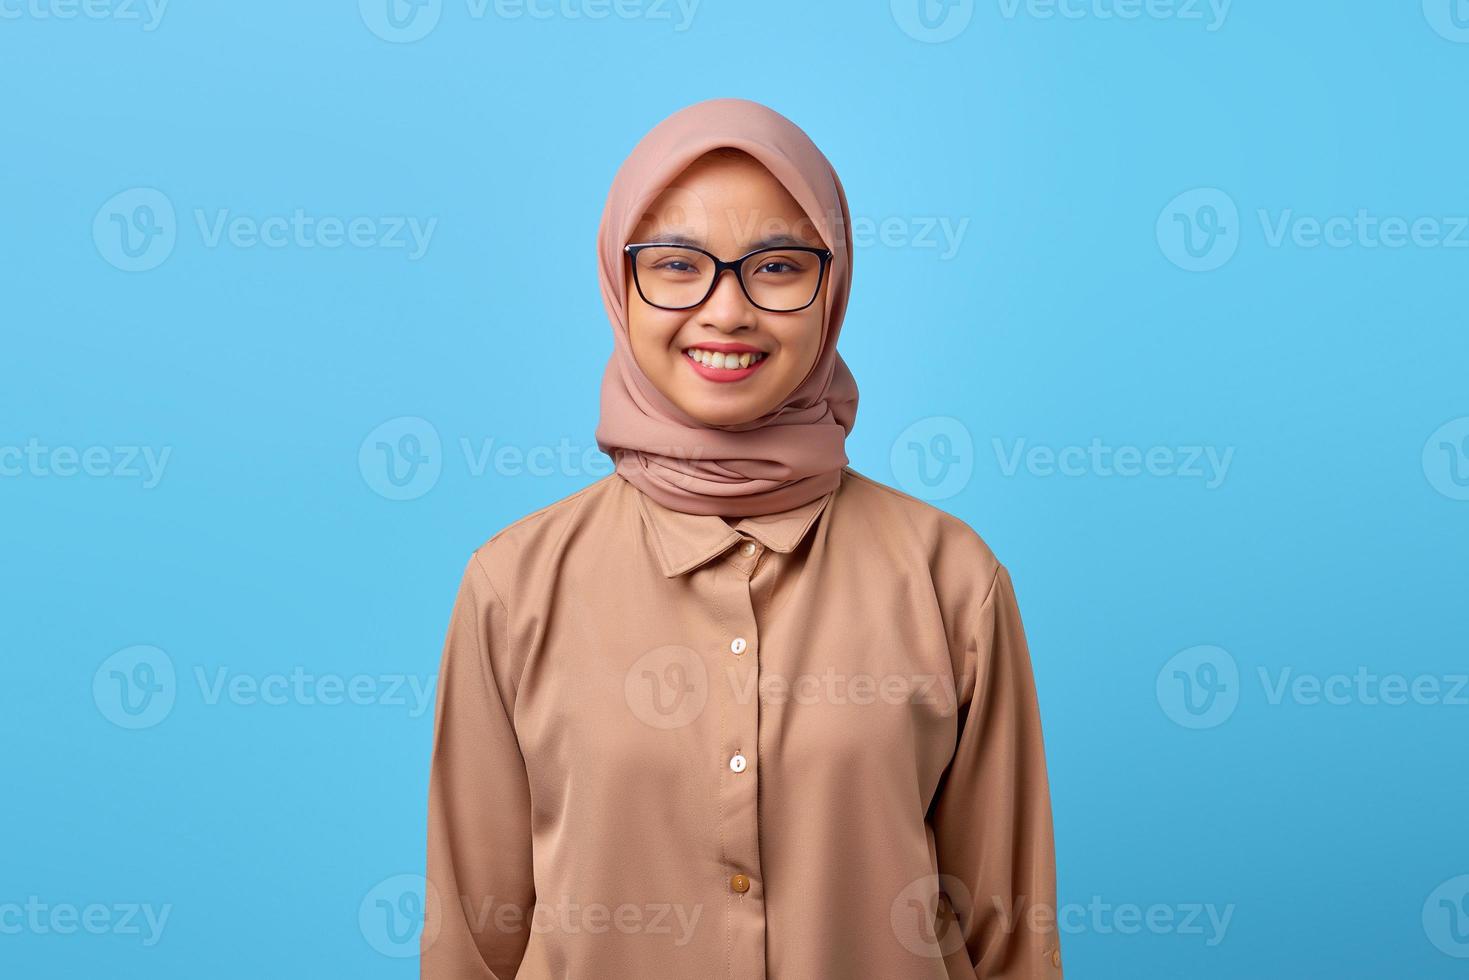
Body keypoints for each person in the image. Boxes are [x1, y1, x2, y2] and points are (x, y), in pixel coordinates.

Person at [420, 97, 1063, 979]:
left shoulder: (950, 580)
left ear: (830, 287)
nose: (726, 311)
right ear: (618, 279)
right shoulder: (513, 586)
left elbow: (1008, 939)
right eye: (677, 265)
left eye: (776, 266)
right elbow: (470, 943)